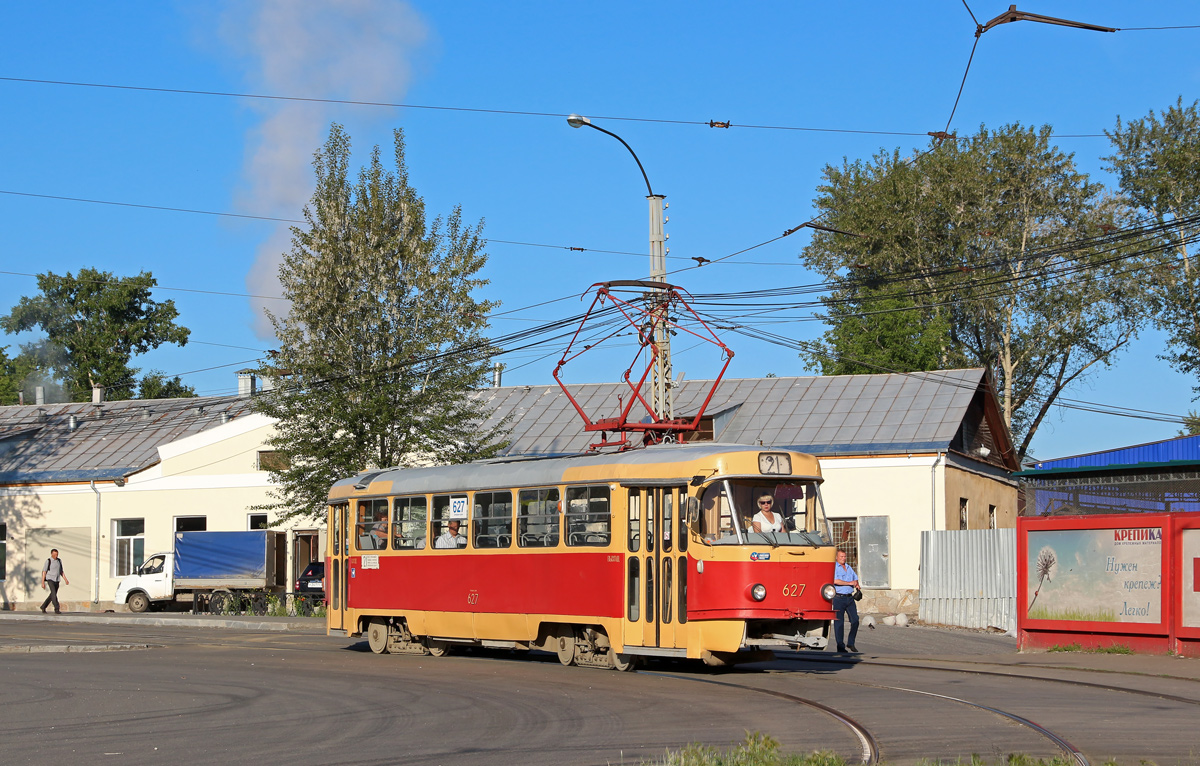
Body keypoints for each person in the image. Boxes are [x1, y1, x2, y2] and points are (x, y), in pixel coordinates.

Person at [831, 548, 860, 653]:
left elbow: (855, 578)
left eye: (844, 556)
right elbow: (835, 581)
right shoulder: (834, 568)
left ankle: (851, 643)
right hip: (839, 598)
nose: (843, 558)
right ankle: (840, 646)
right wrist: (849, 583)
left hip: (849, 598)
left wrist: (857, 584)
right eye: (841, 557)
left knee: (855, 620)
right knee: (839, 623)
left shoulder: (848, 567)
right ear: (836, 557)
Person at [40, 548, 69, 614]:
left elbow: (61, 571)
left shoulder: (59, 561)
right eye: (54, 554)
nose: (56, 556)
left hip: (57, 579)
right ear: (51, 554)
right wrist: (42, 583)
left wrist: (66, 580)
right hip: (50, 579)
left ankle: (43, 606)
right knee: (53, 593)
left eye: (57, 554)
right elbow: (44, 572)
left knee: (52, 595)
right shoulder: (48, 561)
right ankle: (57, 608)